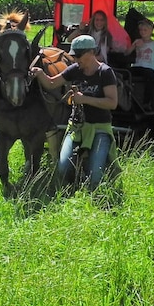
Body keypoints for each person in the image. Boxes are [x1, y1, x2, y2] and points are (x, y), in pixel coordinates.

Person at [29, 34, 118, 190]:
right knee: (62, 169)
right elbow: (51, 83)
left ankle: (102, 170)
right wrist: (40, 73)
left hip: (99, 129)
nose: (76, 59)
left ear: (91, 52)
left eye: (78, 56)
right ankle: (73, 185)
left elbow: (112, 103)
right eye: (74, 56)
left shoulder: (105, 72)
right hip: (76, 128)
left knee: (95, 176)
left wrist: (85, 99)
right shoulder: (75, 69)